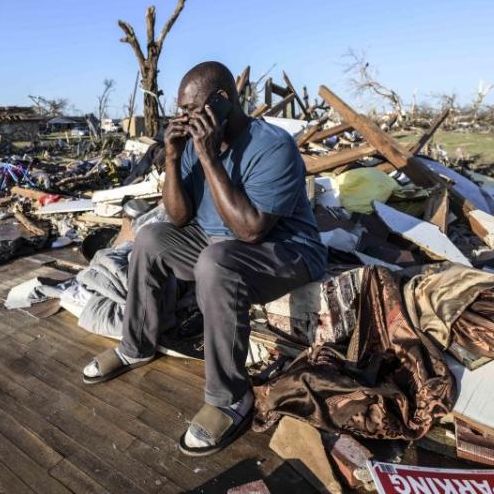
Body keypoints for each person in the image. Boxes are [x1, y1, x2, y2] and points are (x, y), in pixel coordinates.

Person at [81, 61, 327, 456]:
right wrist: (175, 157)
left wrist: (209, 157)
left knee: (218, 261)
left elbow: (250, 230)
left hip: (286, 250)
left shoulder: (272, 146)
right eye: (179, 110)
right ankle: (136, 345)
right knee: (151, 237)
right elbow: (179, 217)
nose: (183, 118)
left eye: (190, 110)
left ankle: (229, 398)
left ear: (222, 102)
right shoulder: (193, 144)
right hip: (218, 242)